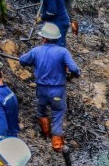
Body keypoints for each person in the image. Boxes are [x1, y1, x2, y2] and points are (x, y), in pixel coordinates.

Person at [19, 23, 81, 153]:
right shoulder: (62, 52)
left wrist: (34, 62)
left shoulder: (36, 51)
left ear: (43, 38)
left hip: (41, 90)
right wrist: (75, 74)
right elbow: (74, 69)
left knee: (42, 112)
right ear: (57, 38)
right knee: (58, 114)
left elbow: (22, 60)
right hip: (57, 90)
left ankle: (46, 135)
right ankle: (57, 146)